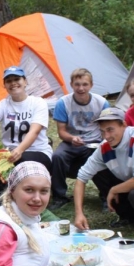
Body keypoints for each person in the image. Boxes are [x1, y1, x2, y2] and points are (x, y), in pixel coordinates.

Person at [0, 66, 53, 200]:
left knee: (22, 161)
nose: (13, 83)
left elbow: (35, 131)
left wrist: (19, 150)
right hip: (10, 154)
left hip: (38, 152)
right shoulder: (3, 105)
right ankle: (1, 199)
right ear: (5, 85)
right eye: (9, 81)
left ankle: (22, 195)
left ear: (25, 81)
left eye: (17, 79)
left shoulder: (38, 103)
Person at [48, 68, 110, 211]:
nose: (81, 88)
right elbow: (61, 132)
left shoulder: (101, 103)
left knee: (103, 157)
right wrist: (72, 138)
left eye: (85, 84)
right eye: (77, 84)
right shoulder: (63, 103)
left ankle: (106, 197)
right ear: (71, 84)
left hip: (95, 142)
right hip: (72, 142)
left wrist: (103, 143)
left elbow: (106, 128)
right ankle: (59, 197)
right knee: (57, 156)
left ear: (91, 85)